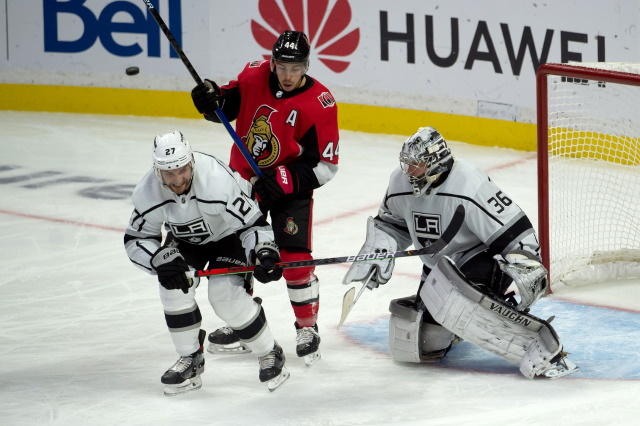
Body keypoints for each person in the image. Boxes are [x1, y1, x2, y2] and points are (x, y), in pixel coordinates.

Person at [342, 126, 579, 379]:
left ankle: (543, 348)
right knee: (421, 345)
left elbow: (513, 228)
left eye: (417, 165)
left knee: (463, 302)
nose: (409, 171)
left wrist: (527, 262)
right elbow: (391, 223)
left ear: (436, 163)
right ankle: (456, 325)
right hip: (439, 269)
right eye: (407, 164)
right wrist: (380, 249)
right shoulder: (399, 183)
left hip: (482, 258)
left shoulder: (468, 183)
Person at [190, 30, 339, 366]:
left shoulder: (320, 104)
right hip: (243, 183)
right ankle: (246, 323)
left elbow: (327, 165)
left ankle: (307, 327)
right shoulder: (254, 75)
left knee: (293, 255)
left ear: (306, 66)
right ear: (272, 62)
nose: (287, 75)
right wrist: (211, 99)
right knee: (238, 250)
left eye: (295, 67)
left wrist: (286, 178)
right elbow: (226, 107)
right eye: (282, 66)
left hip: (291, 189)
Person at [124, 130, 289, 395]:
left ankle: (270, 351)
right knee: (173, 286)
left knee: (224, 296)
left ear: (191, 161)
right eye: (169, 174)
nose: (178, 179)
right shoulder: (147, 192)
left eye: (182, 170)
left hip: (230, 236)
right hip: (185, 240)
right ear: (157, 171)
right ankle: (191, 357)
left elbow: (252, 225)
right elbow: (136, 238)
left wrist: (263, 251)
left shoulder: (216, 181)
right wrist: (158, 260)